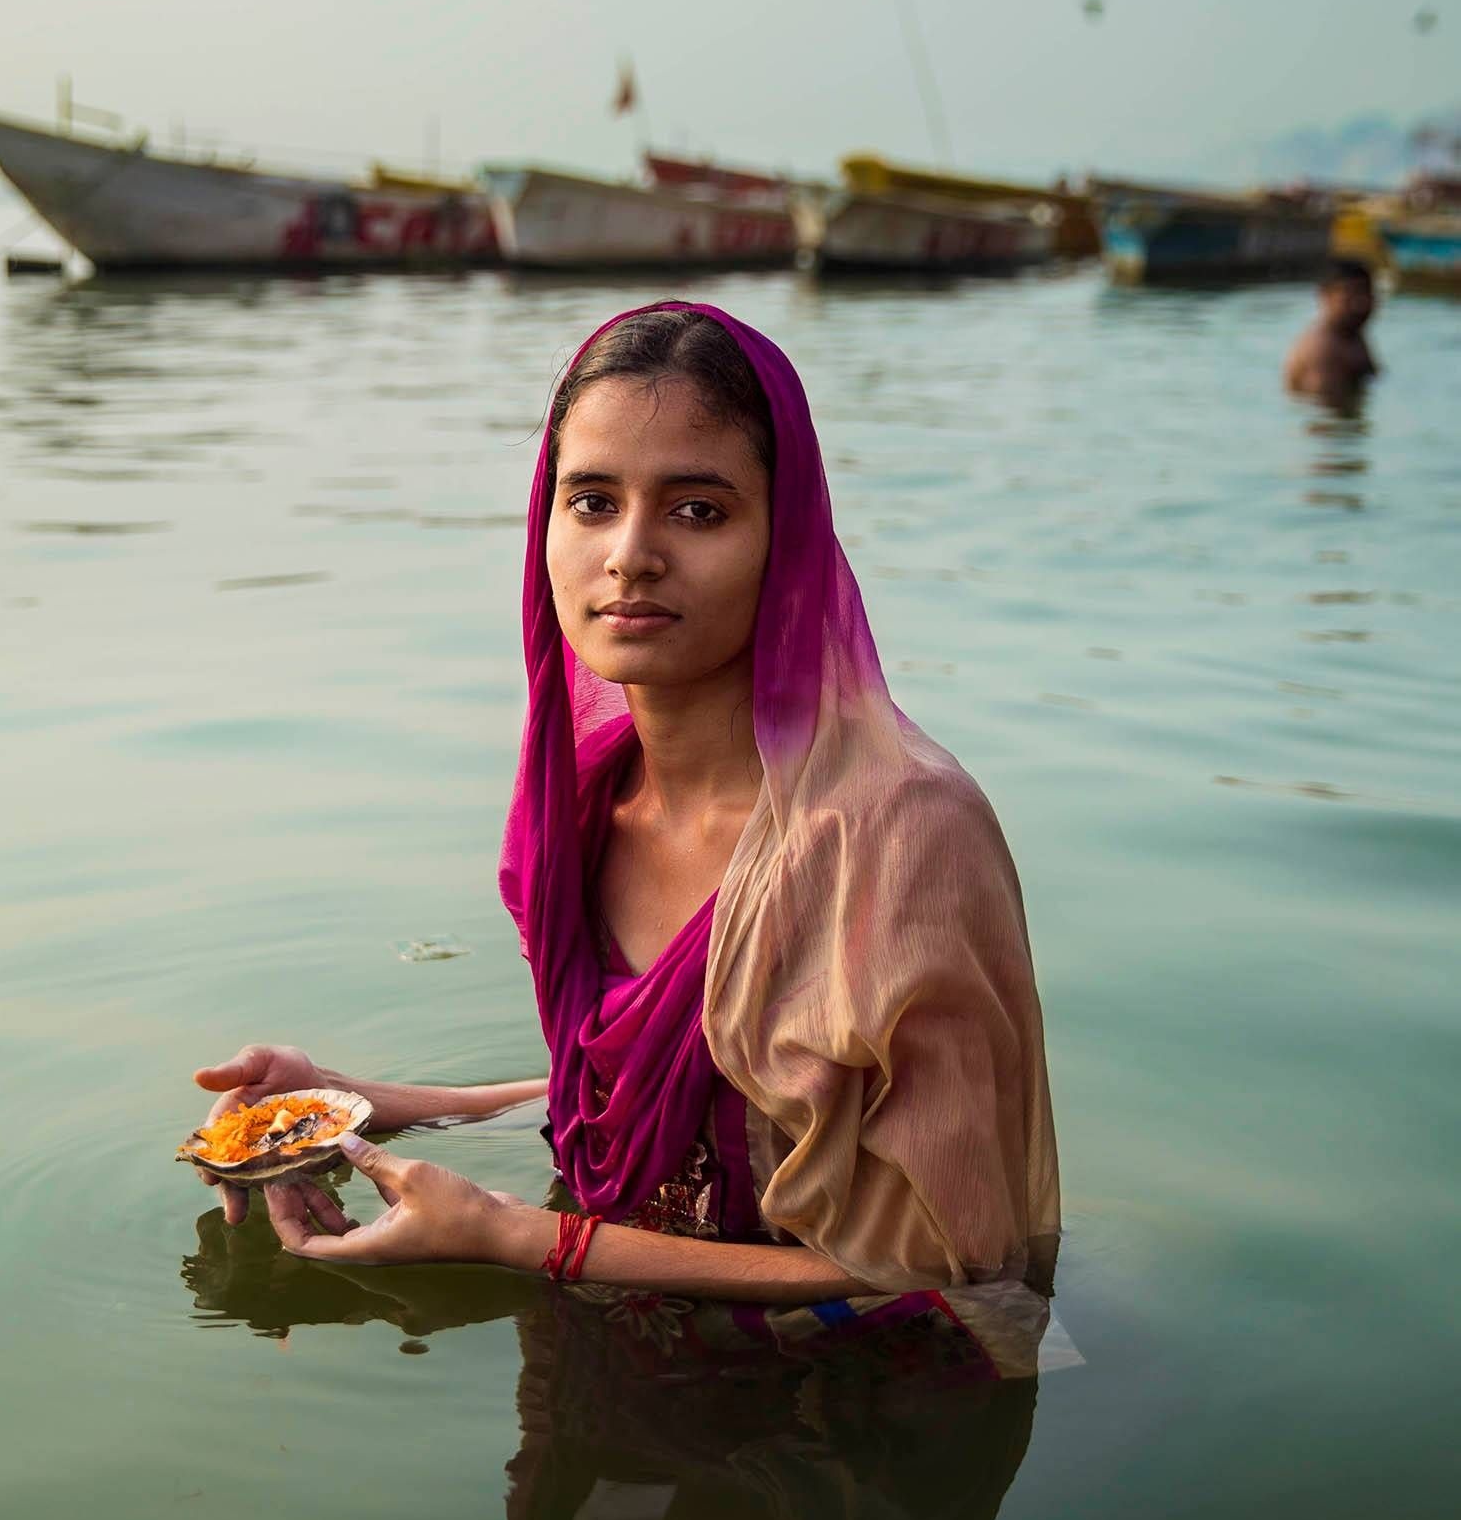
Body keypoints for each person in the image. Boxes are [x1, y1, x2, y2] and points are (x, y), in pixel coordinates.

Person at [191, 303, 1059, 1332]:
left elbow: (955, 1259)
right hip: (644, 1349)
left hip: (867, 1404)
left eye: (699, 510)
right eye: (593, 501)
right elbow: (669, 1116)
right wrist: (353, 1105)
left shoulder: (894, 834)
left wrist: (530, 1239)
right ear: (543, 524)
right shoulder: (586, 806)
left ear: (787, 539)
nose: (631, 554)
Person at [1284, 258, 1379, 404]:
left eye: (1366, 293)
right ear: (1325, 296)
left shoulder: (1350, 332)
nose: (1360, 304)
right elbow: (1327, 418)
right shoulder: (1323, 350)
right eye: (1350, 296)